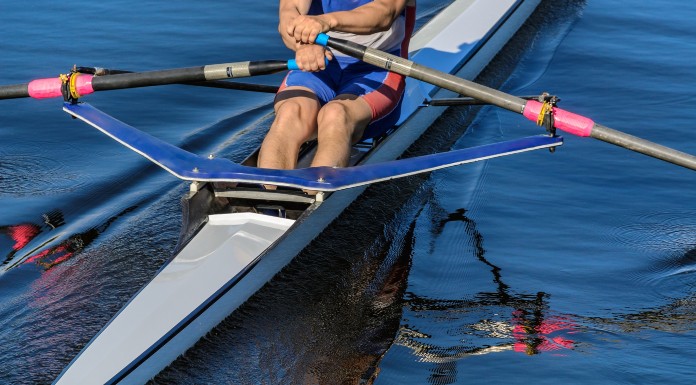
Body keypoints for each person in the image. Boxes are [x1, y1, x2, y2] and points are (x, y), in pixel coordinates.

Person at [258, 0, 416, 173]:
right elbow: (288, 13)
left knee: (335, 115)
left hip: (378, 67)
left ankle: (317, 193)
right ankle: (265, 192)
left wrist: (326, 21)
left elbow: (384, 14)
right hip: (320, 64)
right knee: (290, 112)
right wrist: (303, 45)